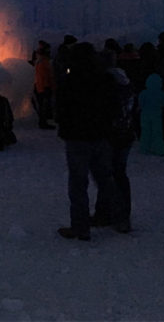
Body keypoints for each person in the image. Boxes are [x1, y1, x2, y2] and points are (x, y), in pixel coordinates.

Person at [55, 42, 115, 241]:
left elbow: (61, 109)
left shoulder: (70, 81)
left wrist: (64, 127)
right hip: (100, 136)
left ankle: (80, 227)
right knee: (105, 178)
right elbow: (112, 106)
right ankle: (108, 215)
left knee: (78, 183)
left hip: (77, 138)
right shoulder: (105, 79)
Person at [102, 51, 137, 233]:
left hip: (112, 136)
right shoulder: (127, 83)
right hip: (126, 134)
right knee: (119, 174)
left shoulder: (108, 84)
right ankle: (118, 214)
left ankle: (117, 216)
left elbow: (107, 112)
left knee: (111, 175)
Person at [137, 74, 164, 156]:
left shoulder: (143, 93)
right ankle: (159, 150)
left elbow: (140, 103)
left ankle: (144, 149)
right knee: (157, 133)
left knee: (145, 132)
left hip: (144, 115)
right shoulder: (161, 93)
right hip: (156, 115)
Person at [33, 46, 55, 129]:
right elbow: (49, 75)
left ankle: (43, 122)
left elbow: (45, 76)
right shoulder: (44, 62)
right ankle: (43, 122)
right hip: (44, 87)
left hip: (41, 86)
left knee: (42, 105)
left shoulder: (39, 62)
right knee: (43, 106)